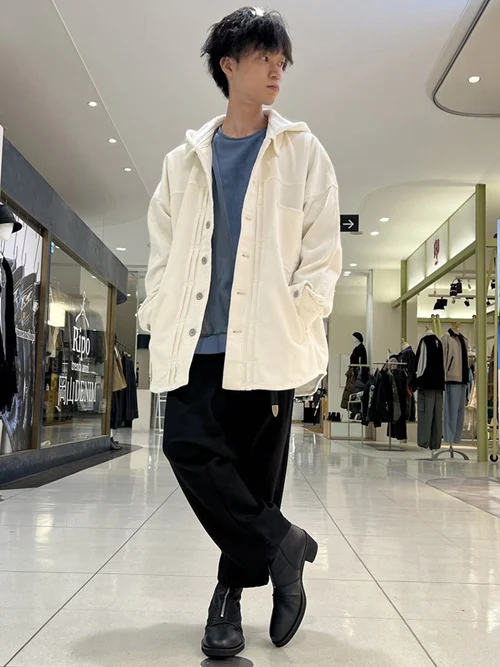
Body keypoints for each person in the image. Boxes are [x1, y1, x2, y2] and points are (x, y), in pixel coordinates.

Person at [139, 6, 342, 659]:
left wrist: (299, 314)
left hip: (268, 345)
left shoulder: (303, 152)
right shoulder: (183, 162)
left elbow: (322, 256)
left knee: (254, 481)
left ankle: (228, 596)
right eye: (263, 56)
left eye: (282, 58)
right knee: (186, 446)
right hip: (198, 344)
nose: (277, 68)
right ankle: (284, 547)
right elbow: (163, 253)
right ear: (228, 66)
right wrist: (155, 310)